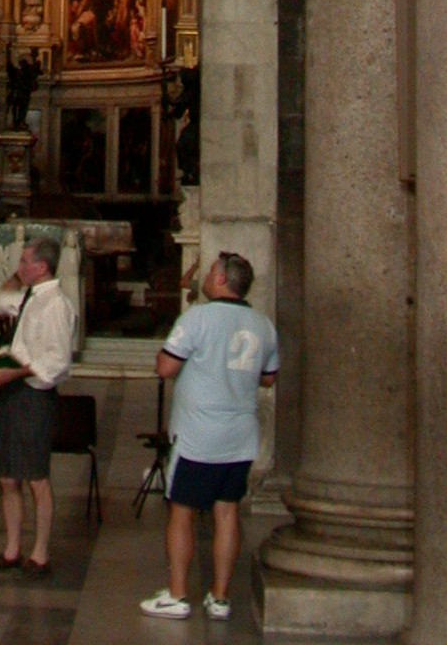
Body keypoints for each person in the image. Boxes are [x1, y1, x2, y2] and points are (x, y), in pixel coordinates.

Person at [141, 250, 279, 623]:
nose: (204, 276)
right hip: (241, 434)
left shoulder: (198, 317)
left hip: (199, 433)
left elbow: (166, 367)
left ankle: (178, 594)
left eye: (210, 271)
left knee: (182, 511)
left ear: (220, 280)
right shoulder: (263, 324)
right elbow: (268, 377)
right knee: (227, 510)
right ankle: (219, 597)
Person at [0, 236, 76, 575]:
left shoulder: (56, 305)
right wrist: (16, 276)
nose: (19, 268)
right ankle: (11, 549)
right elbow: (3, 300)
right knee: (8, 476)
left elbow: (56, 361)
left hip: (34, 395)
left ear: (42, 266)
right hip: (13, 391)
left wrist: (15, 373)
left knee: (35, 475)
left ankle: (39, 553)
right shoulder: (31, 296)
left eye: (25, 262)